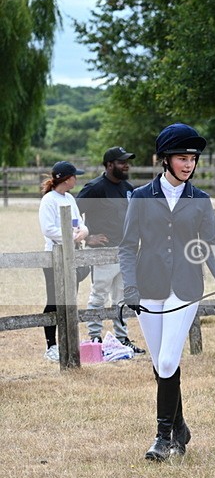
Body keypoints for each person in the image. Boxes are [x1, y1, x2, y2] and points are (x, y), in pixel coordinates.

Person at [119, 123, 215, 462]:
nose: (188, 165)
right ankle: (180, 428)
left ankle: (162, 438)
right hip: (148, 287)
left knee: (167, 361)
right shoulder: (139, 197)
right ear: (164, 160)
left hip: (185, 288)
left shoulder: (201, 200)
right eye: (182, 158)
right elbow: (126, 247)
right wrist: (130, 287)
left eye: (192, 159)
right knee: (160, 365)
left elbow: (210, 244)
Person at [76, 146, 144, 353]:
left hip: (126, 252)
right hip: (103, 253)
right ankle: (95, 338)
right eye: (121, 162)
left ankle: (122, 339)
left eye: (127, 161)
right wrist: (88, 237)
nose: (126, 165)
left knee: (123, 298)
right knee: (99, 296)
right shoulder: (95, 188)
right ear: (108, 165)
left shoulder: (128, 188)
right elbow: (72, 212)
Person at [38, 161, 89, 362]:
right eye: (75, 176)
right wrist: (72, 236)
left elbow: (80, 223)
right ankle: (51, 345)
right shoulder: (48, 200)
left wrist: (83, 232)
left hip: (72, 255)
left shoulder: (70, 198)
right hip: (54, 257)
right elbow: (48, 229)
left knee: (70, 300)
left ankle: (68, 341)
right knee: (54, 300)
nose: (77, 179)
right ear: (67, 179)